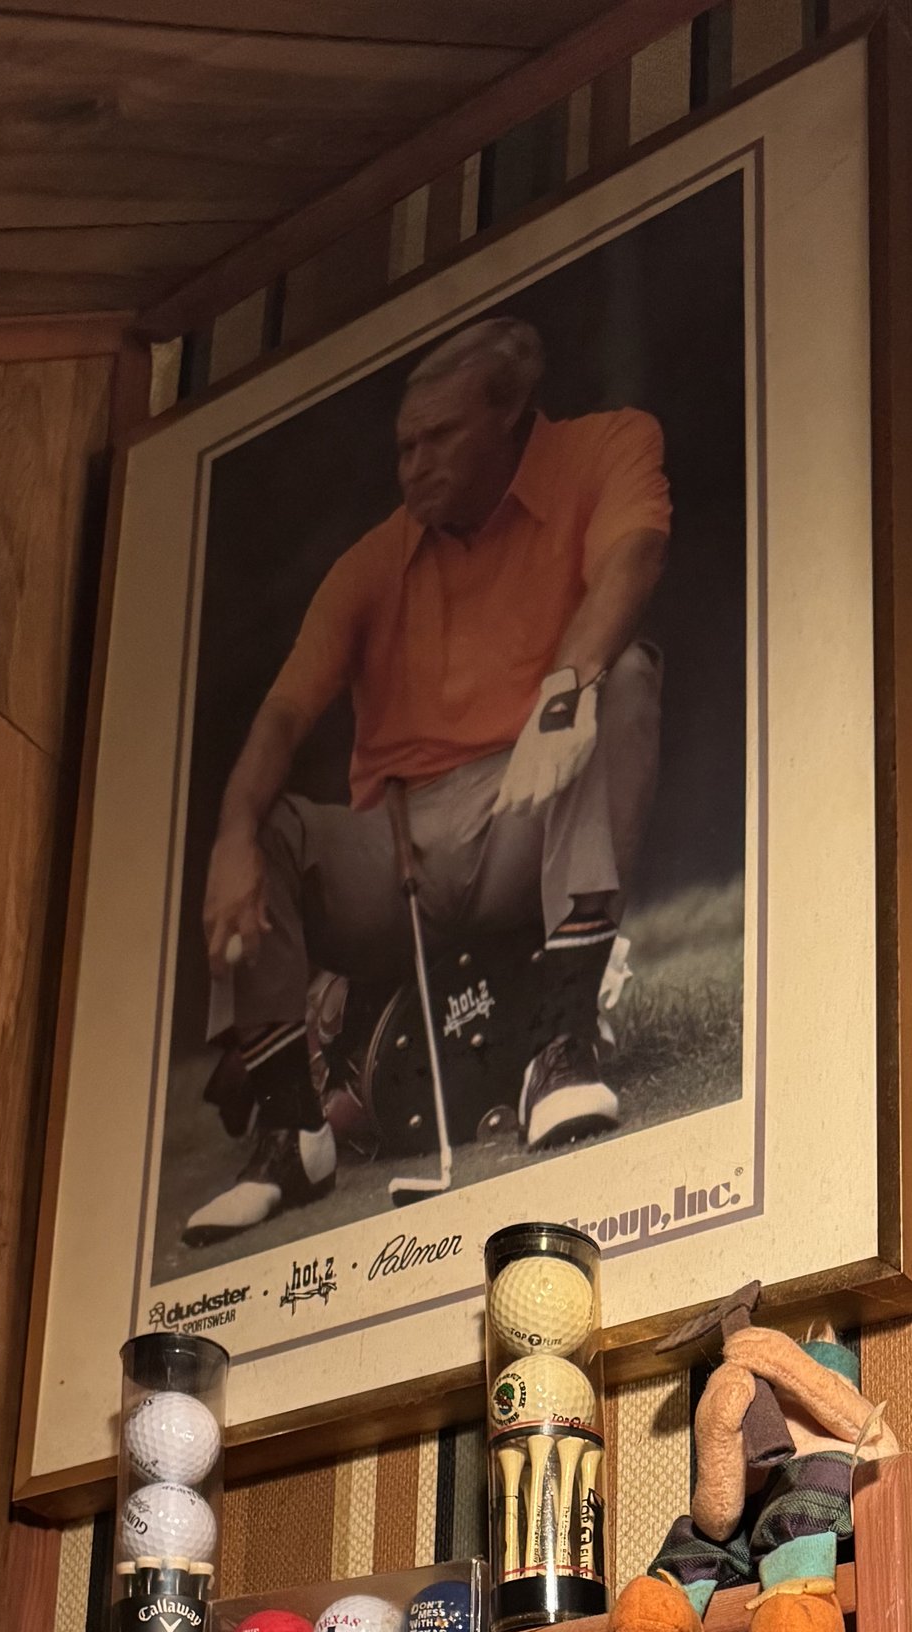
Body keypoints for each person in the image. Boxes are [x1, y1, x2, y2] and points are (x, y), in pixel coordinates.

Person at [187, 311, 671, 1239]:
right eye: (404, 447)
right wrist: (232, 837)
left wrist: (562, 693)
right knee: (269, 829)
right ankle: (291, 1135)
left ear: (511, 411)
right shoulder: (373, 560)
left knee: (627, 677)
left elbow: (633, 555)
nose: (413, 466)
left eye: (438, 439)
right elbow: (284, 712)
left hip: (527, 806)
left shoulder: (609, 445)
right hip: (397, 852)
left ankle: (559, 1052)